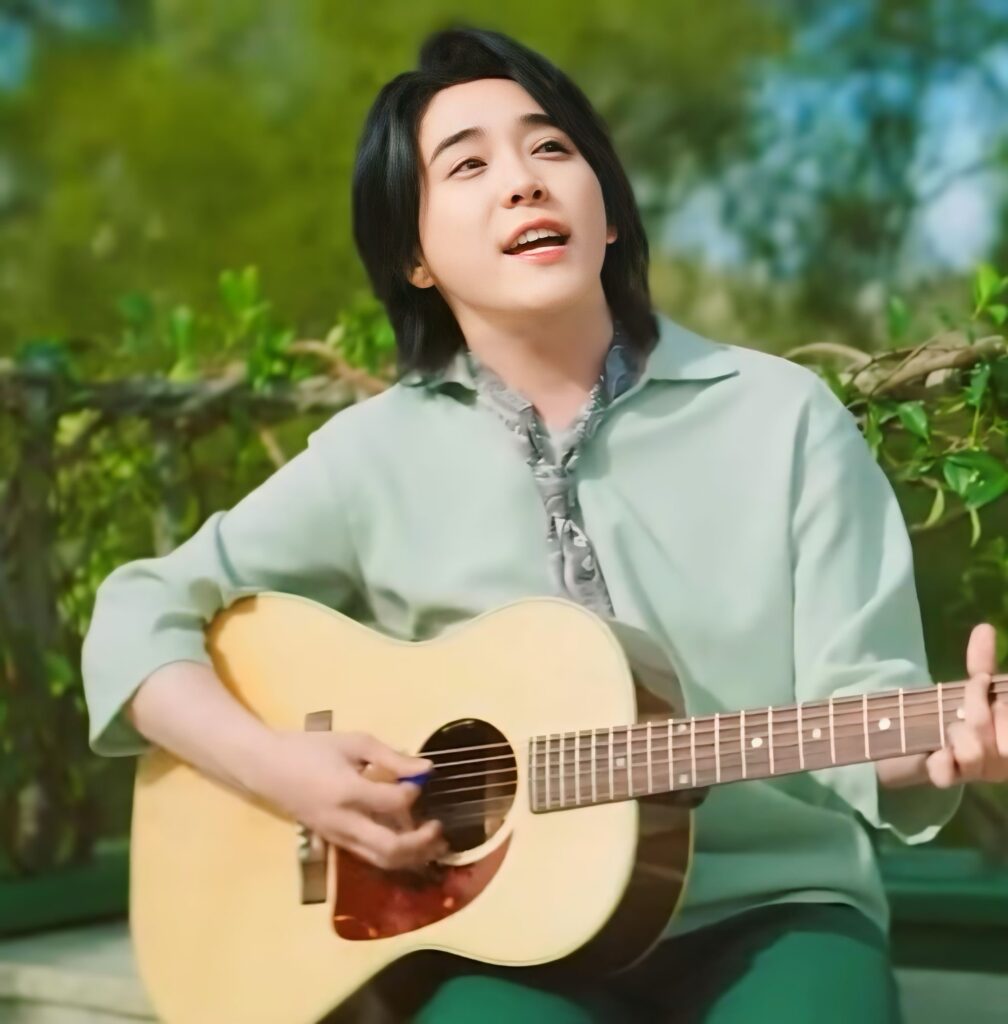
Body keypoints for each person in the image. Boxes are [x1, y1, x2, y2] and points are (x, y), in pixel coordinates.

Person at [81, 24, 1007, 1024]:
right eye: (467, 164)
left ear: (607, 215)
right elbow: (136, 612)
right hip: (492, 938)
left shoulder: (785, 416)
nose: (524, 181)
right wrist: (283, 772)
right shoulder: (371, 456)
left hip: (773, 912)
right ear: (414, 256)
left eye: (551, 147)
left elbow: (864, 705)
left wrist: (946, 741)